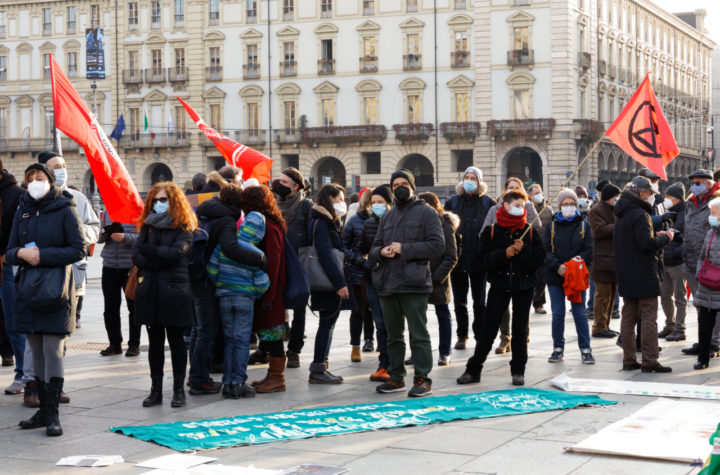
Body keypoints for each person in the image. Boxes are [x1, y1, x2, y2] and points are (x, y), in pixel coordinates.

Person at [9, 163, 85, 437]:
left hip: (56, 289)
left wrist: (42, 255)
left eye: (39, 177)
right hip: (28, 289)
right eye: (29, 178)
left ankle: (53, 413)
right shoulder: (23, 209)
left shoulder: (65, 207)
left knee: (53, 350)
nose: (34, 182)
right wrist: (21, 253)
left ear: (50, 181)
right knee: (36, 349)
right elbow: (10, 248)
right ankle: (42, 410)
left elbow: (78, 249)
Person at [23, 152, 100, 405]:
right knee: (34, 338)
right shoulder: (26, 205)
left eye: (64, 165)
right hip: (33, 279)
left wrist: (73, 233)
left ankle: (54, 389)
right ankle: (32, 384)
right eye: (57, 166)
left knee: (58, 337)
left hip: (67, 277)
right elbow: (16, 243)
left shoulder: (74, 200)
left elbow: (91, 231)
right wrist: (24, 254)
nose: (62, 169)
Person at [456, 189, 545, 386]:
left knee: (520, 330)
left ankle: (518, 371)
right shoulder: (491, 231)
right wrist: (504, 253)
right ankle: (473, 370)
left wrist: (523, 250)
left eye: (522, 206)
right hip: (499, 285)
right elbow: (483, 260)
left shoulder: (529, 231)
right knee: (489, 329)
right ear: (505, 205)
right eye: (516, 206)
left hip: (524, 286)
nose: (520, 209)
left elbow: (539, 259)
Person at [371, 169, 445, 397]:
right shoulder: (387, 216)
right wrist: (381, 251)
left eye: (404, 184)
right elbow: (374, 248)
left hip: (414, 282)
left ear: (412, 187)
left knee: (418, 334)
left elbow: (437, 245)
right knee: (393, 335)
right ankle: (396, 377)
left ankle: (423, 378)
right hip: (388, 283)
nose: (399, 188)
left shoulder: (427, 213)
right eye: (395, 185)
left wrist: (404, 249)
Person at [189, 185, 266, 396]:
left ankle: (197, 377)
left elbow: (215, 261)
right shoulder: (226, 221)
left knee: (200, 330)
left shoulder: (206, 211)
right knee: (214, 333)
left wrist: (219, 281)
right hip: (208, 283)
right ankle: (203, 380)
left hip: (197, 277)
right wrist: (258, 259)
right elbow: (229, 248)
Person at [132, 182, 196, 408]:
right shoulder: (148, 225)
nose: (158, 204)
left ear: (174, 201)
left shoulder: (184, 225)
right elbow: (136, 255)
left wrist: (151, 253)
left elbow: (178, 253)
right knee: (155, 343)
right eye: (155, 200)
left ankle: (179, 390)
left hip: (175, 292)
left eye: (163, 200)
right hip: (150, 291)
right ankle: (155, 390)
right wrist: (157, 258)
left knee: (176, 342)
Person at [207, 205, 269, 399]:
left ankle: (227, 383)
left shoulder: (224, 246)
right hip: (244, 299)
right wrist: (254, 292)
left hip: (225, 298)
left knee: (229, 340)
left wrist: (222, 285)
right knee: (241, 341)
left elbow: (212, 269)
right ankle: (238, 383)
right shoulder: (255, 252)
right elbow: (262, 282)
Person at [614, 176, 673, 373]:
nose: (650, 197)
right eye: (649, 193)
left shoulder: (622, 211)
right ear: (641, 193)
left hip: (625, 271)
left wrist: (654, 235)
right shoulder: (640, 213)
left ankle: (629, 359)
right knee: (648, 317)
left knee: (628, 317)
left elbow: (632, 240)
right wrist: (666, 238)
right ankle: (650, 360)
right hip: (643, 271)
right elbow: (645, 244)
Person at [483, 177, 540, 354]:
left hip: (522, 273)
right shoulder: (495, 209)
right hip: (501, 272)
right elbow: (485, 233)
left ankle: (521, 341)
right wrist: (503, 249)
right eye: (510, 187)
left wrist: (523, 248)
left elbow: (536, 228)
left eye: (517, 187)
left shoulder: (527, 206)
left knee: (521, 316)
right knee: (499, 311)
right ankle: (505, 337)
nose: (513, 189)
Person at [242, 185, 288, 393]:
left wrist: (268, 295)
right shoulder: (269, 224)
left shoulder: (268, 227)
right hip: (268, 290)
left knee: (273, 334)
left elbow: (274, 263)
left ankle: (277, 378)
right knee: (268, 334)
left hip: (270, 292)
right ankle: (272, 375)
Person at [308, 184, 355, 384]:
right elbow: (325, 256)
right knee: (326, 324)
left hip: (327, 282)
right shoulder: (322, 222)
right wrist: (339, 283)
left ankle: (322, 366)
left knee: (328, 324)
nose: (343, 204)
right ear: (329, 198)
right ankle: (318, 368)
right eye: (340, 199)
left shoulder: (325, 220)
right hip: (327, 283)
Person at [444, 166, 495, 350]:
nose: (470, 181)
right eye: (467, 177)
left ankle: (480, 334)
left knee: (479, 301)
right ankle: (462, 335)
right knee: (459, 301)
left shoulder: (487, 202)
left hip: (479, 259)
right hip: (458, 259)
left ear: (479, 182)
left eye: (474, 178)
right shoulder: (453, 202)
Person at [545, 188, 595, 364]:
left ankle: (586, 349)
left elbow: (589, 249)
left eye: (571, 203)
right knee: (558, 314)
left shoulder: (584, 225)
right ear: (559, 206)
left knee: (579, 313)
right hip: (556, 275)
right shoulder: (551, 225)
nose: (568, 206)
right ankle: (557, 348)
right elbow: (546, 250)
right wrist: (557, 265)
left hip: (576, 276)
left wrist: (574, 263)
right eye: (565, 204)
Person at [271, 167, 313, 369]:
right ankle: (272, 349)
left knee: (299, 310)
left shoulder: (306, 206)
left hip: (298, 263)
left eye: (285, 182)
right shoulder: (273, 204)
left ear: (296, 186)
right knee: (276, 308)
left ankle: (294, 350)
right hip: (277, 262)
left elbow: (311, 235)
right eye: (280, 181)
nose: (280, 185)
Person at [682, 170, 720, 358]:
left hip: (711, 262)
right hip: (692, 260)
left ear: (708, 183)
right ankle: (703, 341)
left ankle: (714, 342)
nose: (694, 186)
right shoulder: (691, 201)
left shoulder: (716, 200)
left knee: (715, 306)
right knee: (701, 305)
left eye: (698, 182)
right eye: (693, 182)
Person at [418, 192, 458, 366]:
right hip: (418, 277)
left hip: (437, 279)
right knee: (417, 317)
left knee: (443, 314)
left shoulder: (445, 226)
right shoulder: (417, 225)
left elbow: (451, 257)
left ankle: (445, 352)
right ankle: (418, 352)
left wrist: (436, 278)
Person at [357, 185, 393, 382]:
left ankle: (394, 364)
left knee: (392, 324)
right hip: (372, 279)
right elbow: (360, 248)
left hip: (393, 279)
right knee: (380, 324)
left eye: (381, 202)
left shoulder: (396, 222)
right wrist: (365, 263)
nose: (377, 206)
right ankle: (383, 364)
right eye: (374, 202)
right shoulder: (369, 224)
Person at [0, 161, 27, 396]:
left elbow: (21, 231)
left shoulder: (15, 195)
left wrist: (11, 254)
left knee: (14, 323)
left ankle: (23, 375)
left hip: (7, 266)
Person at [98, 212, 140, 356]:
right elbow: (98, 239)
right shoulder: (107, 213)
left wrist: (125, 237)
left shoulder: (137, 211)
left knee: (134, 307)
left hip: (130, 267)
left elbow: (145, 238)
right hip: (109, 266)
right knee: (110, 308)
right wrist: (104, 233)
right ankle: (114, 344)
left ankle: (134, 345)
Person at [342, 188, 374, 361]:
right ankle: (355, 346)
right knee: (358, 311)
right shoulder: (354, 220)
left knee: (375, 311)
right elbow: (344, 245)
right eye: (372, 202)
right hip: (358, 272)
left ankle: (372, 339)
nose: (375, 206)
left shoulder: (387, 219)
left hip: (379, 272)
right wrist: (358, 259)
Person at [588, 184, 621, 338]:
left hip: (613, 259)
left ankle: (606, 325)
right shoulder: (596, 210)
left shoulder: (614, 209)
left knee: (611, 296)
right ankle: (599, 327)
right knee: (602, 296)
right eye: (616, 196)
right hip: (602, 259)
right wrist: (618, 226)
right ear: (609, 197)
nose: (617, 199)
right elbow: (598, 231)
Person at [691, 196, 720, 370]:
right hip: (707, 285)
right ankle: (703, 358)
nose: (711, 216)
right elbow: (703, 256)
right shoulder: (711, 233)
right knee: (704, 323)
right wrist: (700, 274)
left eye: (714, 213)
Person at [660, 182, 688, 342]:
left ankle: (680, 328)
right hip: (665, 259)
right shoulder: (668, 213)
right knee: (665, 295)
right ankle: (669, 324)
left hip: (677, 261)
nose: (666, 199)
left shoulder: (685, 213)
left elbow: (686, 237)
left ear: (677, 198)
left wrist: (678, 252)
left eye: (668, 197)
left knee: (679, 296)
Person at [528, 184, 553, 314]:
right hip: (529, 248)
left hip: (543, 248)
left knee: (542, 278)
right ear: (530, 196)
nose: (539, 195)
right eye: (536, 193)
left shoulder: (547, 210)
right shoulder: (526, 209)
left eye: (540, 192)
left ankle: (539, 303)